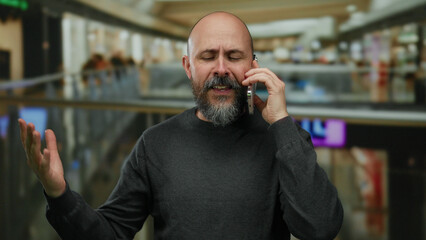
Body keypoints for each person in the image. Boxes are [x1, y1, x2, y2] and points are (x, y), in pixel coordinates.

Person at [18, 11, 343, 240]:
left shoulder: (284, 141)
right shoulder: (155, 144)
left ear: (253, 67)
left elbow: (320, 227)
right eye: (207, 57)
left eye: (233, 55)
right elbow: (111, 232)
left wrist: (282, 123)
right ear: (188, 67)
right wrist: (59, 194)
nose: (221, 68)